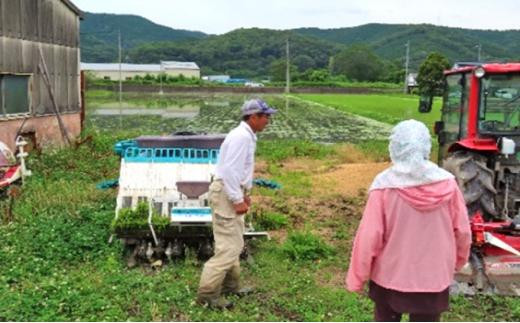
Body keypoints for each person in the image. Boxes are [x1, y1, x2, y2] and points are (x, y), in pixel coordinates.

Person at [345, 119, 471, 322]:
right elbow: (463, 231)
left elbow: (369, 237)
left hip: (390, 278)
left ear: (395, 147)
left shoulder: (384, 186)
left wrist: (357, 278)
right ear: (426, 147)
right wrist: (459, 260)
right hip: (434, 279)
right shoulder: (447, 183)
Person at [197, 98, 277, 309]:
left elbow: (239, 170)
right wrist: (237, 199)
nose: (268, 120)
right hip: (227, 194)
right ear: (253, 117)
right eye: (266, 116)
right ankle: (207, 294)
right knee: (228, 248)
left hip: (232, 191)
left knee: (234, 243)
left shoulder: (247, 136)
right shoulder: (241, 137)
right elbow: (230, 171)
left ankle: (231, 286)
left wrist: (245, 193)